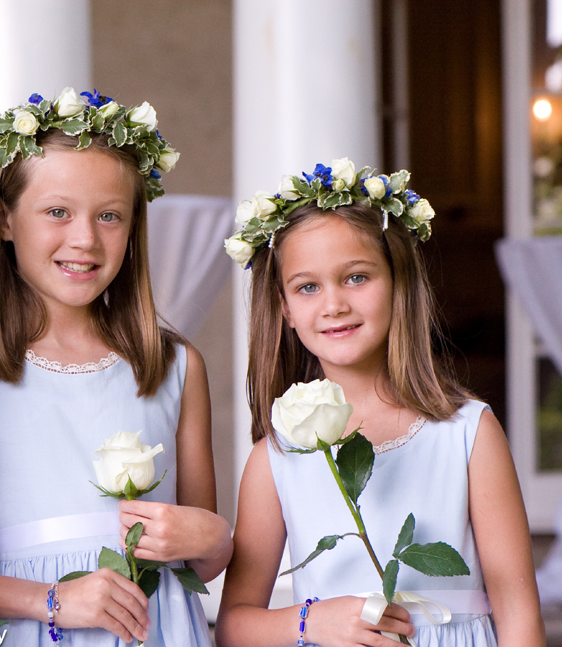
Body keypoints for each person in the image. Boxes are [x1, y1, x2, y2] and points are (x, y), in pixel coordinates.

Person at [0, 88, 233, 646]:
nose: (85, 239)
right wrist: (53, 601)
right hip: (31, 631)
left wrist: (215, 538)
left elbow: (200, 561)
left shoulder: (175, 366)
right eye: (57, 212)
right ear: (4, 220)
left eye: (109, 216)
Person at [215, 160, 545, 647]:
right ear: (284, 308)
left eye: (356, 277)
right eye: (308, 287)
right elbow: (232, 628)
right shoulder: (277, 458)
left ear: (398, 282)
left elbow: (519, 615)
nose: (334, 305)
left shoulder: (468, 433)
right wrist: (310, 621)